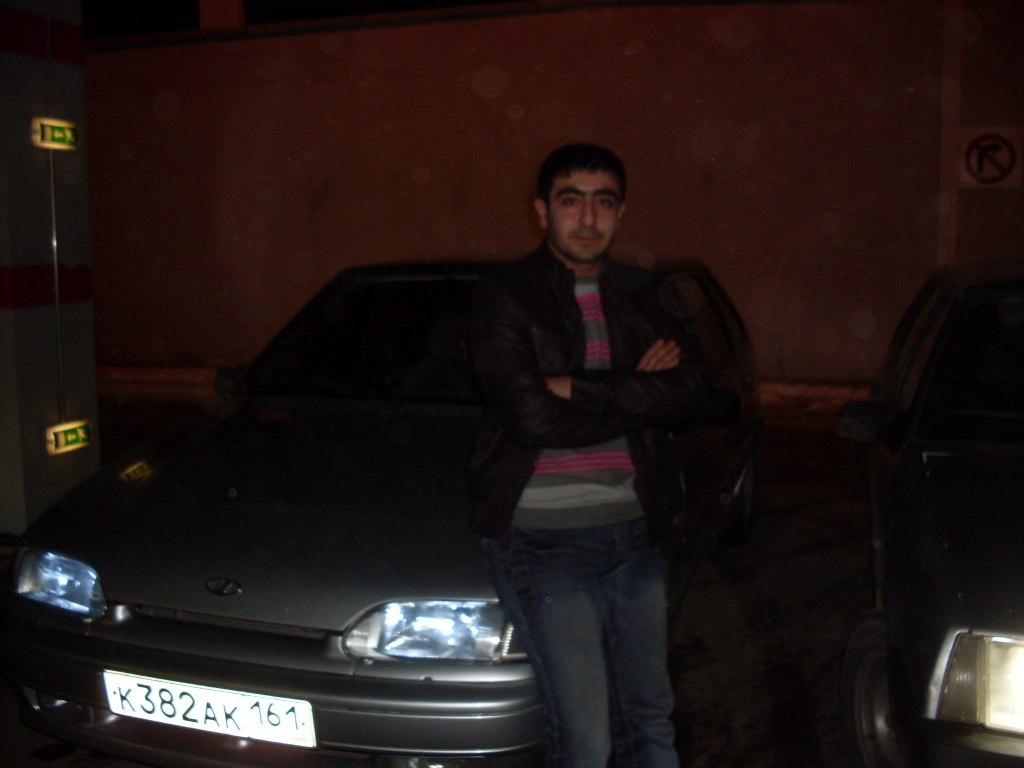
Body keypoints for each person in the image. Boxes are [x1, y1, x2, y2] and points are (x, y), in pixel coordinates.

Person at [467, 143, 707, 768]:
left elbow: (688, 393)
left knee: (650, 723)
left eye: (604, 202)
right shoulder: (505, 297)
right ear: (542, 210)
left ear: (621, 212)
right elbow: (531, 416)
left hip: (637, 532)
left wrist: (575, 387)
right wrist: (638, 390)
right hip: (546, 542)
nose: (588, 218)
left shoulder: (646, 295)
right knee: (587, 741)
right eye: (571, 201)